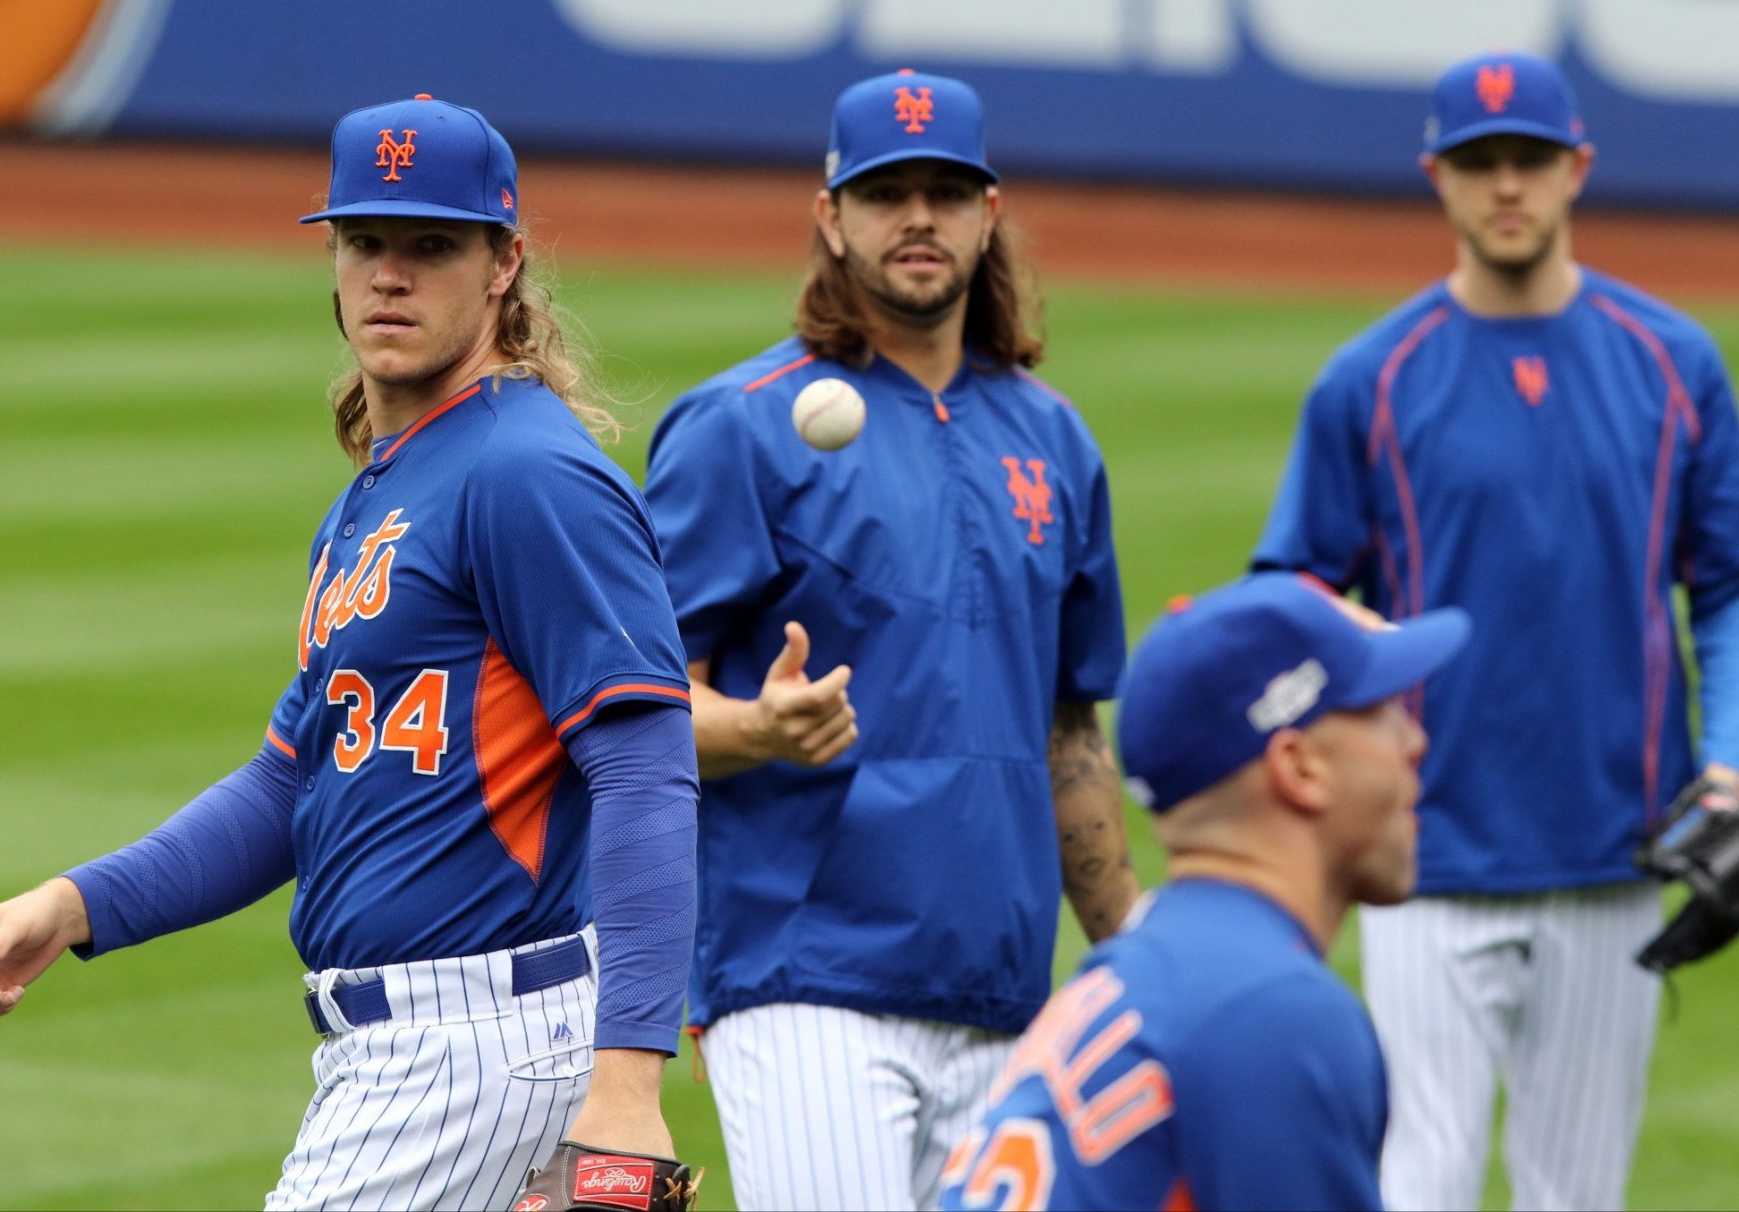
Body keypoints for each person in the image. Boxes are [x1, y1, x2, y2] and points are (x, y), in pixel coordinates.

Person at [0, 95, 699, 1211]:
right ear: (333, 262)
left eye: (431, 246)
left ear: (503, 264)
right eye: (365, 243)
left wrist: (629, 1079)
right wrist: (80, 903)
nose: (391, 275)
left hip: (474, 1050)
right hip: (423, 1050)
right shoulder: (378, 495)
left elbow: (641, 763)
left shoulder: (525, 474)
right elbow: (292, 777)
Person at [1251, 50, 1739, 1211]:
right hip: (1424, 858)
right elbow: (1289, 599)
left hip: (1611, 854)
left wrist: (1726, 757)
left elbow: (1723, 585)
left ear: (1575, 167)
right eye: (1478, 165)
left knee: (1575, 1194)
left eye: (1527, 160)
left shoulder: (1670, 364)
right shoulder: (1370, 378)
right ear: (1436, 176)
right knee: (1415, 1184)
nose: (1505, 186)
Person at [643, 69, 1136, 1211]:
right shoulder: (739, 428)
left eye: (945, 191)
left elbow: (1069, 731)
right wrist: (757, 728)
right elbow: (626, 715)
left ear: (987, 213)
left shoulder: (1054, 443)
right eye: (884, 192)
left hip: (1007, 997)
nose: (917, 216)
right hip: (804, 982)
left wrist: (1128, 952)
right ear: (830, 216)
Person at [940, 573, 1472, 1211]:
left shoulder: (1157, 970)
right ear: (1300, 768)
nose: (1415, 741)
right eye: (1381, 710)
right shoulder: (1268, 1010)